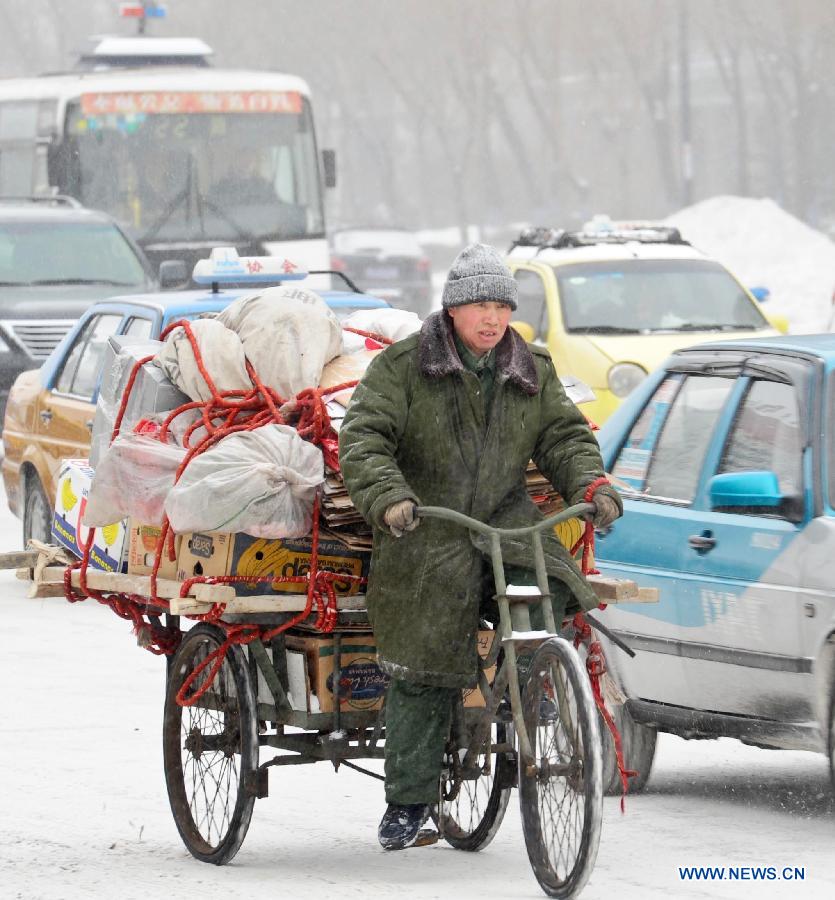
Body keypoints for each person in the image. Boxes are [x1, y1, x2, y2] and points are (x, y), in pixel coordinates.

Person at [338, 243, 622, 851]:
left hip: (505, 519)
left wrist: (591, 483)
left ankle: (534, 680)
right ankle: (410, 800)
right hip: (426, 528)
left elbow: (565, 436)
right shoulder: (404, 366)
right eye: (479, 306)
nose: (492, 318)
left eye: (501, 305)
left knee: (550, 592)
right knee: (426, 660)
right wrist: (389, 497)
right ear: (452, 308)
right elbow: (363, 438)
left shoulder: (529, 369)